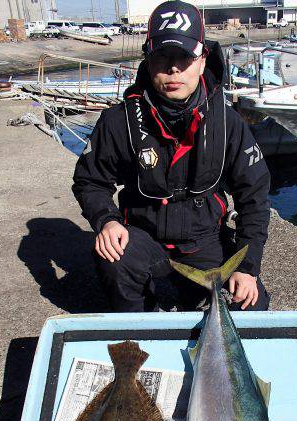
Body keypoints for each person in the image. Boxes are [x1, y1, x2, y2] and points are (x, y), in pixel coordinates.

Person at [72, 0, 271, 312]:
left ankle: (197, 298)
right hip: (142, 236)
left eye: (184, 56)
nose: (174, 67)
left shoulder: (228, 122)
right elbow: (90, 182)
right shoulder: (116, 121)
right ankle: (143, 326)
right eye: (162, 56)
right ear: (149, 61)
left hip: (205, 239)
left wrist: (248, 267)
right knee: (113, 260)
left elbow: (254, 196)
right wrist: (106, 221)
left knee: (252, 303)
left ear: (203, 60)